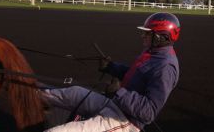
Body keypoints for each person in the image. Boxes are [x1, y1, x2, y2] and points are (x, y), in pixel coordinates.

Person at [42, 12, 181, 132]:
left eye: (147, 33)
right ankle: (35, 95)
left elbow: (149, 112)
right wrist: (110, 67)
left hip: (126, 121)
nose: (142, 36)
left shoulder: (165, 67)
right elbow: (134, 75)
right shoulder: (153, 53)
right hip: (116, 104)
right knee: (74, 92)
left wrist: (118, 92)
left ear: (160, 37)